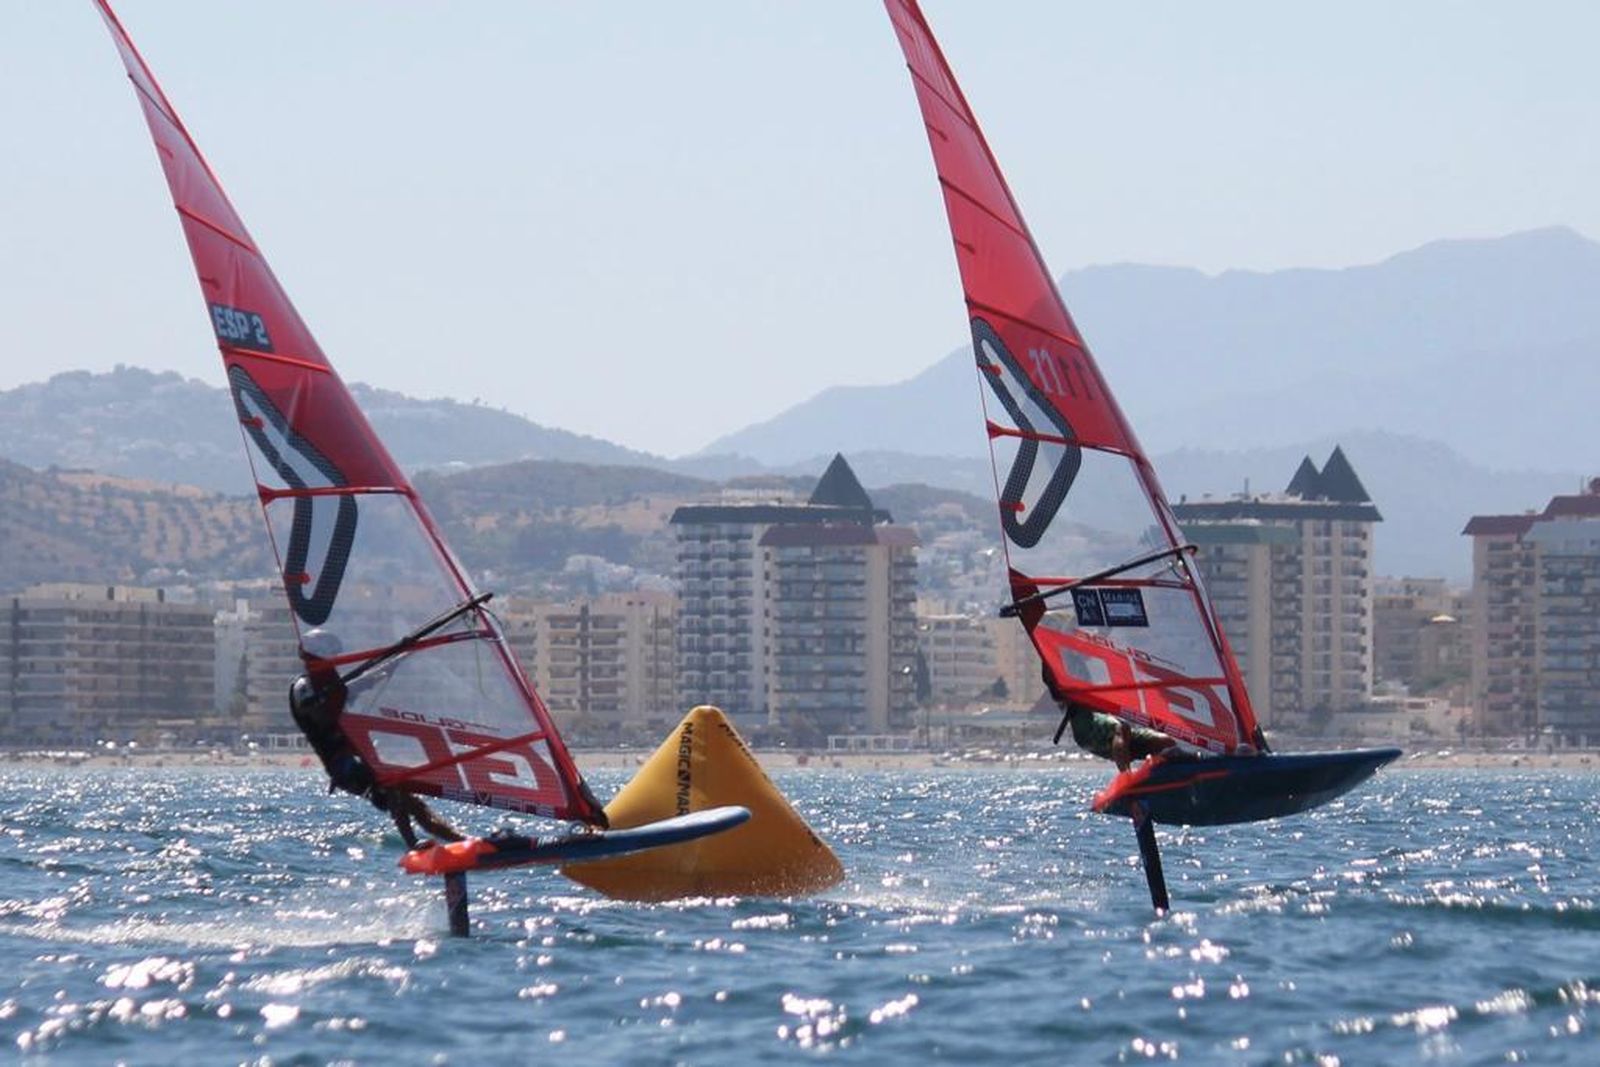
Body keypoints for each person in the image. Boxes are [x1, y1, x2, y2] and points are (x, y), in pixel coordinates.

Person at [289, 630, 464, 849]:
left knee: (416, 805)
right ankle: (413, 843)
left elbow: (365, 681)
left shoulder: (331, 686)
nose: (334, 660)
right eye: (330, 655)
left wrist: (402, 653)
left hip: (357, 760)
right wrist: (333, 697)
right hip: (343, 767)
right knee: (394, 788)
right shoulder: (304, 687)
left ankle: (462, 844)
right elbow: (321, 717)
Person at [1041, 662, 1182, 771]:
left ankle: (1169, 776)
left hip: (1114, 730)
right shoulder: (1058, 666)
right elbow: (1054, 690)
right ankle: (1126, 778)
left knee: (1167, 742)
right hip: (1086, 727)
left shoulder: (1080, 660)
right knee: (1120, 728)